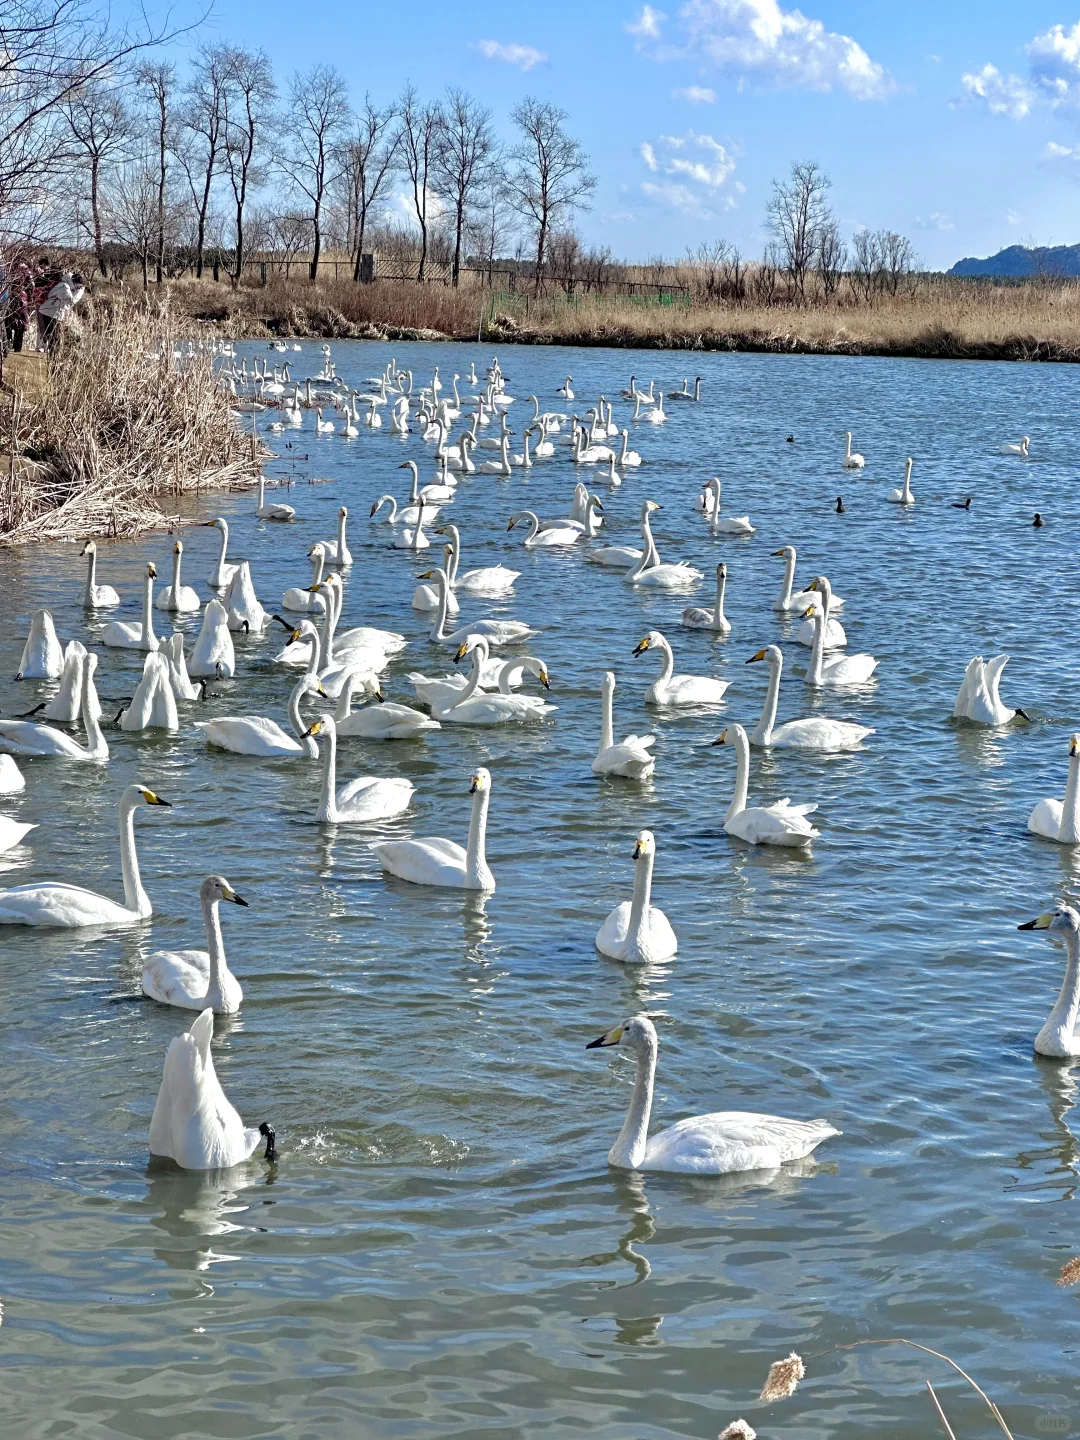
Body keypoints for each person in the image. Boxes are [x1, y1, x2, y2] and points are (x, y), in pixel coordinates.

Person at [37, 270, 85, 351]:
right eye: (77, 286)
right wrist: (79, 293)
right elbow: (70, 301)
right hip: (51, 313)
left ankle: (50, 353)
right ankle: (54, 356)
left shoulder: (63, 284)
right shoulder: (64, 286)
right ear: (74, 282)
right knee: (55, 337)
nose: (77, 288)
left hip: (47, 311)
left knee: (51, 335)